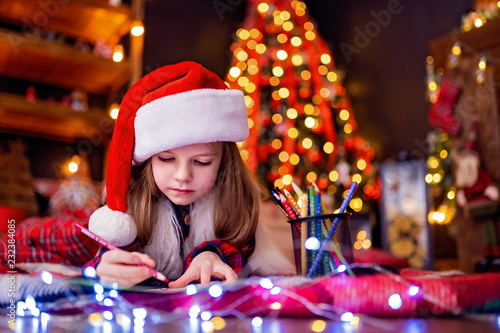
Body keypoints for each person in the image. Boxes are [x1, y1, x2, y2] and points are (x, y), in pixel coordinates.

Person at [83, 61, 263, 288]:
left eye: (202, 162)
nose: (183, 175)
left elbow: (243, 251)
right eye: (166, 159)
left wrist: (210, 255)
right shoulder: (130, 204)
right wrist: (101, 267)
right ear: (149, 159)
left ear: (224, 163)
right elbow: (102, 257)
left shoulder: (238, 203)